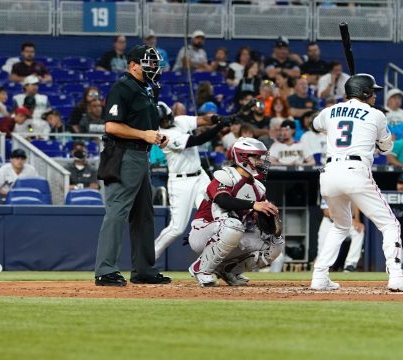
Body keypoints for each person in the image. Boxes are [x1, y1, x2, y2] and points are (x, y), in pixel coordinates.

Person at [310, 73, 403, 292]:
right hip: (355, 171)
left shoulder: (329, 111)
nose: (375, 96)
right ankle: (396, 275)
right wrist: (376, 142)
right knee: (390, 224)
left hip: (329, 172)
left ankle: (319, 276)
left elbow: (315, 125)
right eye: (373, 92)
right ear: (364, 93)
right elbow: (386, 148)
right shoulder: (376, 115)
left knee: (340, 226)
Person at [94, 44, 170, 287]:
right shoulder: (123, 87)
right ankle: (105, 270)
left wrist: (156, 136)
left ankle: (144, 270)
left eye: (154, 62)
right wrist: (144, 135)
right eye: (148, 62)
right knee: (117, 211)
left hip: (141, 156)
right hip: (124, 155)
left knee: (144, 215)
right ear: (133, 65)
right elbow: (112, 126)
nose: (153, 67)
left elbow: (144, 128)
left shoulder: (144, 89)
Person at [188, 138, 283, 287]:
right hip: (204, 230)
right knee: (233, 225)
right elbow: (223, 200)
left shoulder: (259, 188)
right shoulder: (225, 175)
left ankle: (228, 270)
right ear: (242, 157)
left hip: (232, 232)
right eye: (256, 157)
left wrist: (268, 221)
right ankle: (201, 268)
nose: (260, 161)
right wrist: (254, 205)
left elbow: (255, 218)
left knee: (276, 243)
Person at [153, 101, 229, 259]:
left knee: (217, 214)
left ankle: (219, 262)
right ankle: (149, 257)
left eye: (166, 118)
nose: (165, 122)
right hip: (181, 182)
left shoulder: (179, 121)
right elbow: (197, 140)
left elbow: (202, 120)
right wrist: (220, 126)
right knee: (177, 228)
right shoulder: (162, 135)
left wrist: (217, 118)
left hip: (200, 177)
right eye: (161, 121)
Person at [317, 198, 364, 272]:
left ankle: (350, 265)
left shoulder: (350, 187)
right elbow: (326, 212)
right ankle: (322, 269)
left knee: (358, 231)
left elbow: (355, 205)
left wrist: (357, 221)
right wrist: (348, 220)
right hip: (329, 222)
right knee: (321, 256)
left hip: (346, 222)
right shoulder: (327, 189)